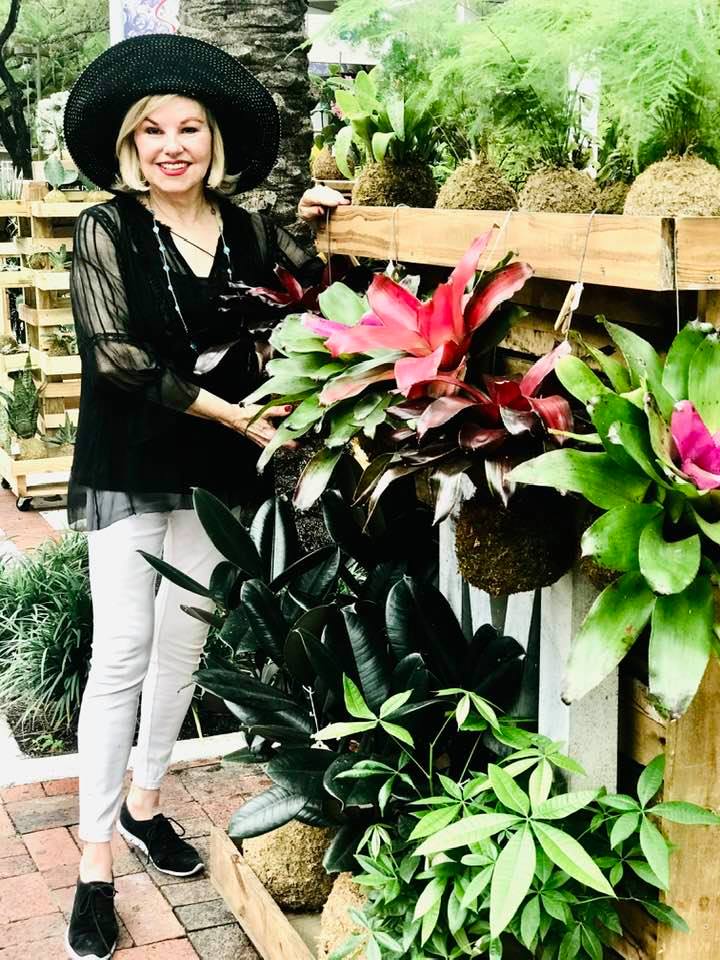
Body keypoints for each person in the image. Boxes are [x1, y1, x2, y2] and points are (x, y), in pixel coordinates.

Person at [61, 33, 347, 960]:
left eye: (189, 128)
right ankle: (95, 864)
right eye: (153, 130)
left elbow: (307, 302)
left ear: (213, 141)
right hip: (131, 462)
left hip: (218, 473)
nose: (171, 145)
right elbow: (116, 356)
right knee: (122, 652)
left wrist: (317, 224)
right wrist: (231, 413)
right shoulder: (106, 230)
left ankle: (146, 806)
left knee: (185, 639)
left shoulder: (251, 231)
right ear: (130, 146)